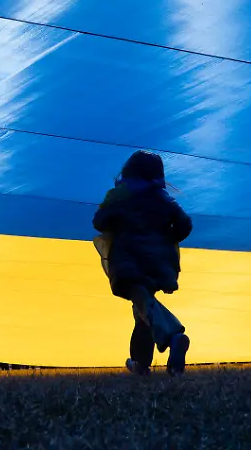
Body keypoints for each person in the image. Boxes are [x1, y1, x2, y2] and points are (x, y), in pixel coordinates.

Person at [92, 151, 193, 376]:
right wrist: (166, 238)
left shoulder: (119, 195)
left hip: (127, 261)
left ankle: (173, 335)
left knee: (143, 301)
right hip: (157, 264)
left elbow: (98, 222)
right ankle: (141, 364)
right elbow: (184, 224)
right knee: (141, 311)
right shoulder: (162, 198)